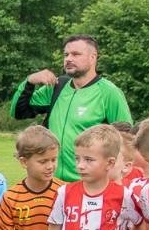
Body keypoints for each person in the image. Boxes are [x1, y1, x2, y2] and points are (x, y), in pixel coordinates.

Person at [10, 34, 132, 183]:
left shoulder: (109, 92)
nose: (68, 59)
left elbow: (125, 140)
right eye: (66, 54)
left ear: (93, 57)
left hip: (87, 185)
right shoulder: (57, 86)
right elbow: (19, 111)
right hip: (51, 183)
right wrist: (29, 81)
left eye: (76, 54)